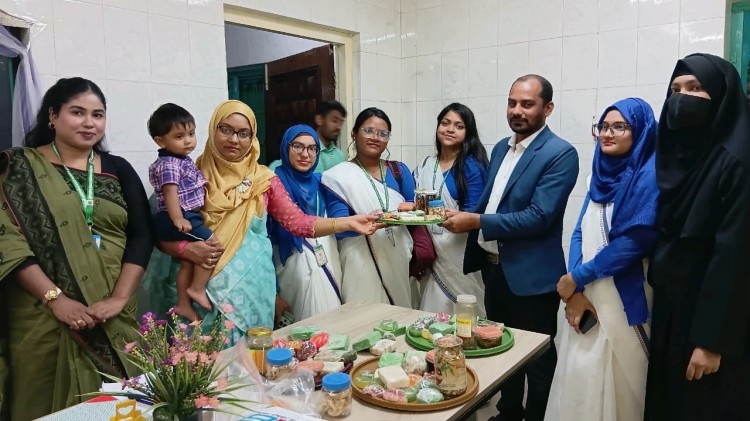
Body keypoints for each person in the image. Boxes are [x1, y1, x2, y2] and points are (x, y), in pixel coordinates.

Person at [157, 100, 378, 343]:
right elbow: (159, 233)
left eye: (244, 133)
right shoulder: (189, 175)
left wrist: (348, 223)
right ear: (212, 129)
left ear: (252, 137)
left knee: (254, 361)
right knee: (204, 361)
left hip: (252, 290)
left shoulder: (264, 180)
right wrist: (186, 249)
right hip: (200, 293)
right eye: (226, 129)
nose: (234, 139)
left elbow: (298, 222)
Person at [0, 77, 153, 419]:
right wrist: (56, 299)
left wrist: (119, 299)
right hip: (40, 314)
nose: (89, 123)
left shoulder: (118, 169)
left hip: (111, 311)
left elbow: (142, 236)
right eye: (77, 112)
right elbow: (7, 240)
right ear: (53, 116)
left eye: (98, 115)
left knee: (120, 405)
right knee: (40, 403)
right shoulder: (18, 168)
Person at [442, 74, 579, 421]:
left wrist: (474, 221)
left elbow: (539, 216)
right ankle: (508, 413)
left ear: (548, 108)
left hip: (532, 278)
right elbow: (493, 201)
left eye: (527, 104)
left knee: (538, 359)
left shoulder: (560, 153)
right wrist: (461, 215)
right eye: (512, 102)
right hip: (494, 269)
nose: (517, 110)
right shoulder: (502, 147)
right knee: (500, 346)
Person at [645, 53, 750, 420]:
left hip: (711, 316)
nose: (681, 99)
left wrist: (711, 341)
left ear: (721, 95)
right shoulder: (680, 155)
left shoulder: (736, 161)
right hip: (673, 306)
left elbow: (734, 255)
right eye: (675, 90)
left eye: (695, 88)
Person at [546, 98, 659, 421]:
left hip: (622, 297)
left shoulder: (650, 177)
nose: (608, 134)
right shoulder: (596, 177)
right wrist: (575, 291)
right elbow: (579, 231)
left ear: (640, 132)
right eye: (604, 127)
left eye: (620, 127)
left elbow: (634, 243)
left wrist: (577, 277)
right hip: (586, 296)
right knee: (581, 376)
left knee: (622, 383)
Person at [322, 107, 416, 308]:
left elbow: (416, 215)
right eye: (368, 131)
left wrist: (411, 210)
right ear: (354, 133)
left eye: (383, 133)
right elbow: (339, 227)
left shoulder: (399, 171)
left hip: (397, 258)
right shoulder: (339, 177)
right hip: (359, 260)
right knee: (363, 318)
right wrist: (374, 222)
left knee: (398, 317)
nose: (375, 137)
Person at [413, 103, 488, 315]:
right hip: (434, 253)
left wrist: (443, 217)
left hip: (461, 252)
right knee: (434, 316)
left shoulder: (472, 165)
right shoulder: (427, 165)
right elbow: (416, 201)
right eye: (445, 123)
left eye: (458, 126)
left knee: (466, 313)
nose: (450, 129)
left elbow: (474, 213)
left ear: (468, 132)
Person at [147, 103, 217, 322]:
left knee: (187, 262)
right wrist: (178, 218)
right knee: (214, 245)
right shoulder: (170, 163)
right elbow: (170, 192)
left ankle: (183, 304)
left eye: (191, 134)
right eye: (179, 136)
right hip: (181, 216)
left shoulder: (181, 159)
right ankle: (197, 288)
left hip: (184, 215)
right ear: (161, 141)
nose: (188, 141)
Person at [268, 124, 343, 320]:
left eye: (312, 148)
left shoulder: (323, 183)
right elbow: (263, 240)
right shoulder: (272, 185)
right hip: (290, 275)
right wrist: (273, 293)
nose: (305, 154)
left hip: (328, 262)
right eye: (298, 146)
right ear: (286, 147)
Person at [314, 100, 347, 173]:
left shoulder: (340, 156)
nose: (338, 127)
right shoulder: (305, 151)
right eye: (334, 121)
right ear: (319, 120)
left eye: (341, 123)